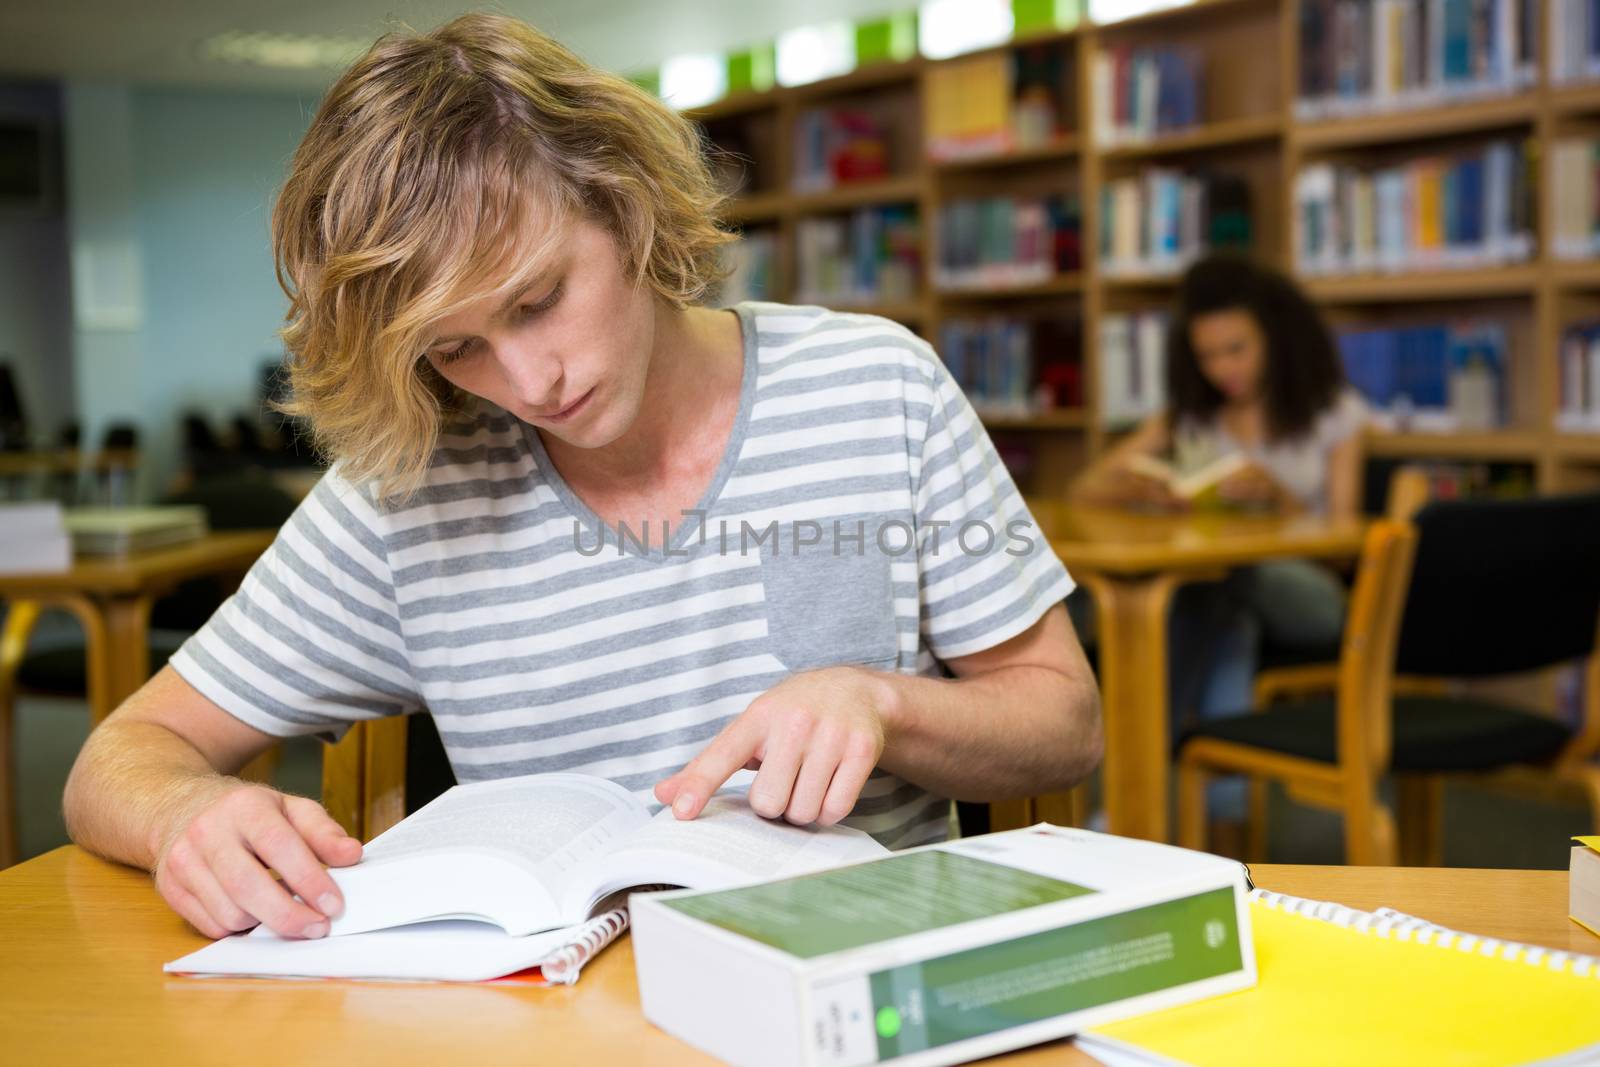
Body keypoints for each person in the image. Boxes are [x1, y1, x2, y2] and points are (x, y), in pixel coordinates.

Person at [62, 14, 1101, 943]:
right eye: (456, 348)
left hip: (849, 980)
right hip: (550, 1015)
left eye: (537, 298)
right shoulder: (409, 489)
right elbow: (123, 752)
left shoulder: (877, 385)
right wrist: (184, 815)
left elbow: (1064, 721)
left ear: (624, 202)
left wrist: (885, 702)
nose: (528, 380)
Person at [1071, 254, 1367, 832]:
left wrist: (1279, 499)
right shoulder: (1192, 418)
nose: (1222, 369)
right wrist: (1136, 487)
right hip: (1228, 596)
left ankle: (1133, 791)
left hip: (1313, 601)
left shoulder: (1335, 414)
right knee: (1225, 611)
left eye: (1236, 349)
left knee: (1224, 582)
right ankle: (1223, 821)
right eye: (1206, 355)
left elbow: (1345, 545)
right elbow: (1083, 489)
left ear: (1276, 339)